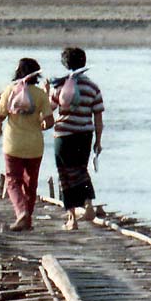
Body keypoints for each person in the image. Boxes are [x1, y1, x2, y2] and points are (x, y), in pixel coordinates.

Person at [0, 58, 54, 231]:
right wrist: (39, 124)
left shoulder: (10, 91)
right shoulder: (41, 94)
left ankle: (21, 213)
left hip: (13, 145)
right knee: (30, 183)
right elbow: (49, 122)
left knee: (12, 181)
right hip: (34, 146)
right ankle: (27, 218)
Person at [48, 47, 104, 230]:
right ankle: (88, 204)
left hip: (63, 136)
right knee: (81, 170)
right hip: (85, 135)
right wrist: (98, 141)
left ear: (65, 64)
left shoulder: (60, 86)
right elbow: (98, 118)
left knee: (65, 174)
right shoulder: (93, 88)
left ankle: (71, 218)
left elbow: (49, 110)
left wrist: (46, 91)